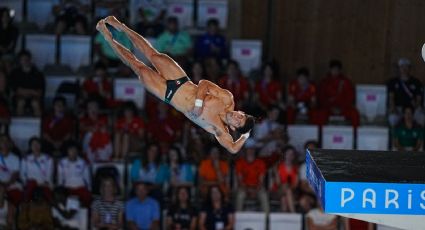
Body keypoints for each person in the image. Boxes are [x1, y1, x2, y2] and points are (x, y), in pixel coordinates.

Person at [96, 16, 255, 153]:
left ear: (234, 128)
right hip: (181, 80)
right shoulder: (227, 99)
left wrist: (246, 135)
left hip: (167, 94)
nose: (236, 116)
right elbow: (204, 83)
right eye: (240, 115)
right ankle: (121, 26)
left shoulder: (219, 130)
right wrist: (199, 103)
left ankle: (107, 36)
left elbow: (233, 149)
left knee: (137, 66)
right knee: (151, 53)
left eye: (238, 121)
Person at [318, 60, 359, 127]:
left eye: (337, 70)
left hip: (343, 108)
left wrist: (341, 108)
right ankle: (320, 135)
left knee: (354, 114)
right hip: (329, 108)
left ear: (340, 71)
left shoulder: (346, 82)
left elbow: (350, 97)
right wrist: (331, 108)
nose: (335, 71)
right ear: (330, 70)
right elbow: (321, 98)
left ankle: (355, 135)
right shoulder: (324, 82)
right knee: (320, 114)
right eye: (333, 69)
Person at [387, 58, 425, 126]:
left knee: (422, 118)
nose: (404, 69)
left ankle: (419, 135)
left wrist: (415, 106)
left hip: (413, 108)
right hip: (399, 108)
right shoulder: (393, 82)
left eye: (406, 66)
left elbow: (419, 98)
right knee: (393, 119)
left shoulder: (416, 82)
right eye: (402, 67)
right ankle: (395, 136)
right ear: (399, 68)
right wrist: (393, 108)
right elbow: (391, 98)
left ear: (409, 68)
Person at [8, 50, 45, 117]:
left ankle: (39, 125)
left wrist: (25, 91)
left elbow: (39, 93)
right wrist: (32, 91)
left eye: (27, 59)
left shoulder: (38, 74)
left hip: (35, 98)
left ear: (30, 59)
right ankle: (19, 125)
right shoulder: (15, 73)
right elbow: (17, 90)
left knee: (35, 103)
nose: (25, 61)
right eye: (23, 59)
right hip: (19, 98)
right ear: (19, 61)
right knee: (21, 102)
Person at [235, 140, 269, 212]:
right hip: (244, 188)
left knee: (264, 196)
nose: (250, 150)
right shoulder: (240, 163)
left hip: (257, 188)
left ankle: (267, 220)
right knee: (240, 196)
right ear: (245, 150)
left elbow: (261, 181)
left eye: (252, 148)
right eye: (248, 148)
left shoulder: (260, 163)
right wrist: (248, 190)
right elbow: (240, 181)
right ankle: (238, 218)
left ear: (255, 150)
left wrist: (255, 191)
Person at [57, 141, 92, 206]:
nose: (73, 152)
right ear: (67, 151)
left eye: (75, 150)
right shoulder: (61, 163)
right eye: (71, 150)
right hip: (67, 189)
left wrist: (89, 190)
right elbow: (60, 179)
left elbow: (87, 180)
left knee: (87, 196)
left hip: (80, 188)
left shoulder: (83, 163)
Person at [21, 137, 54, 202]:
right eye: (33, 145)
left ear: (41, 145)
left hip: (44, 184)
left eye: (37, 144)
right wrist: (27, 183)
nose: (36, 146)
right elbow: (22, 174)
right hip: (30, 185)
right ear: (30, 147)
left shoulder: (48, 158)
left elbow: (49, 174)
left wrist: (43, 183)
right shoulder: (25, 159)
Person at [272, 146, 299, 212]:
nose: (290, 156)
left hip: (292, 192)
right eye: (288, 154)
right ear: (284, 155)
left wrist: (289, 187)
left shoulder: (296, 168)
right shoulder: (278, 167)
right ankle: (293, 214)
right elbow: (278, 184)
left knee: (284, 198)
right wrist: (286, 186)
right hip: (278, 191)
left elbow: (296, 185)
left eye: (292, 154)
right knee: (286, 189)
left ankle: (284, 218)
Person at [0, 134, 22, 205]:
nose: (4, 143)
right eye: (2, 140)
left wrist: (7, 183)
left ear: (10, 143)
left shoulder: (15, 158)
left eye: (7, 141)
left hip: (10, 184)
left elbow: (16, 174)